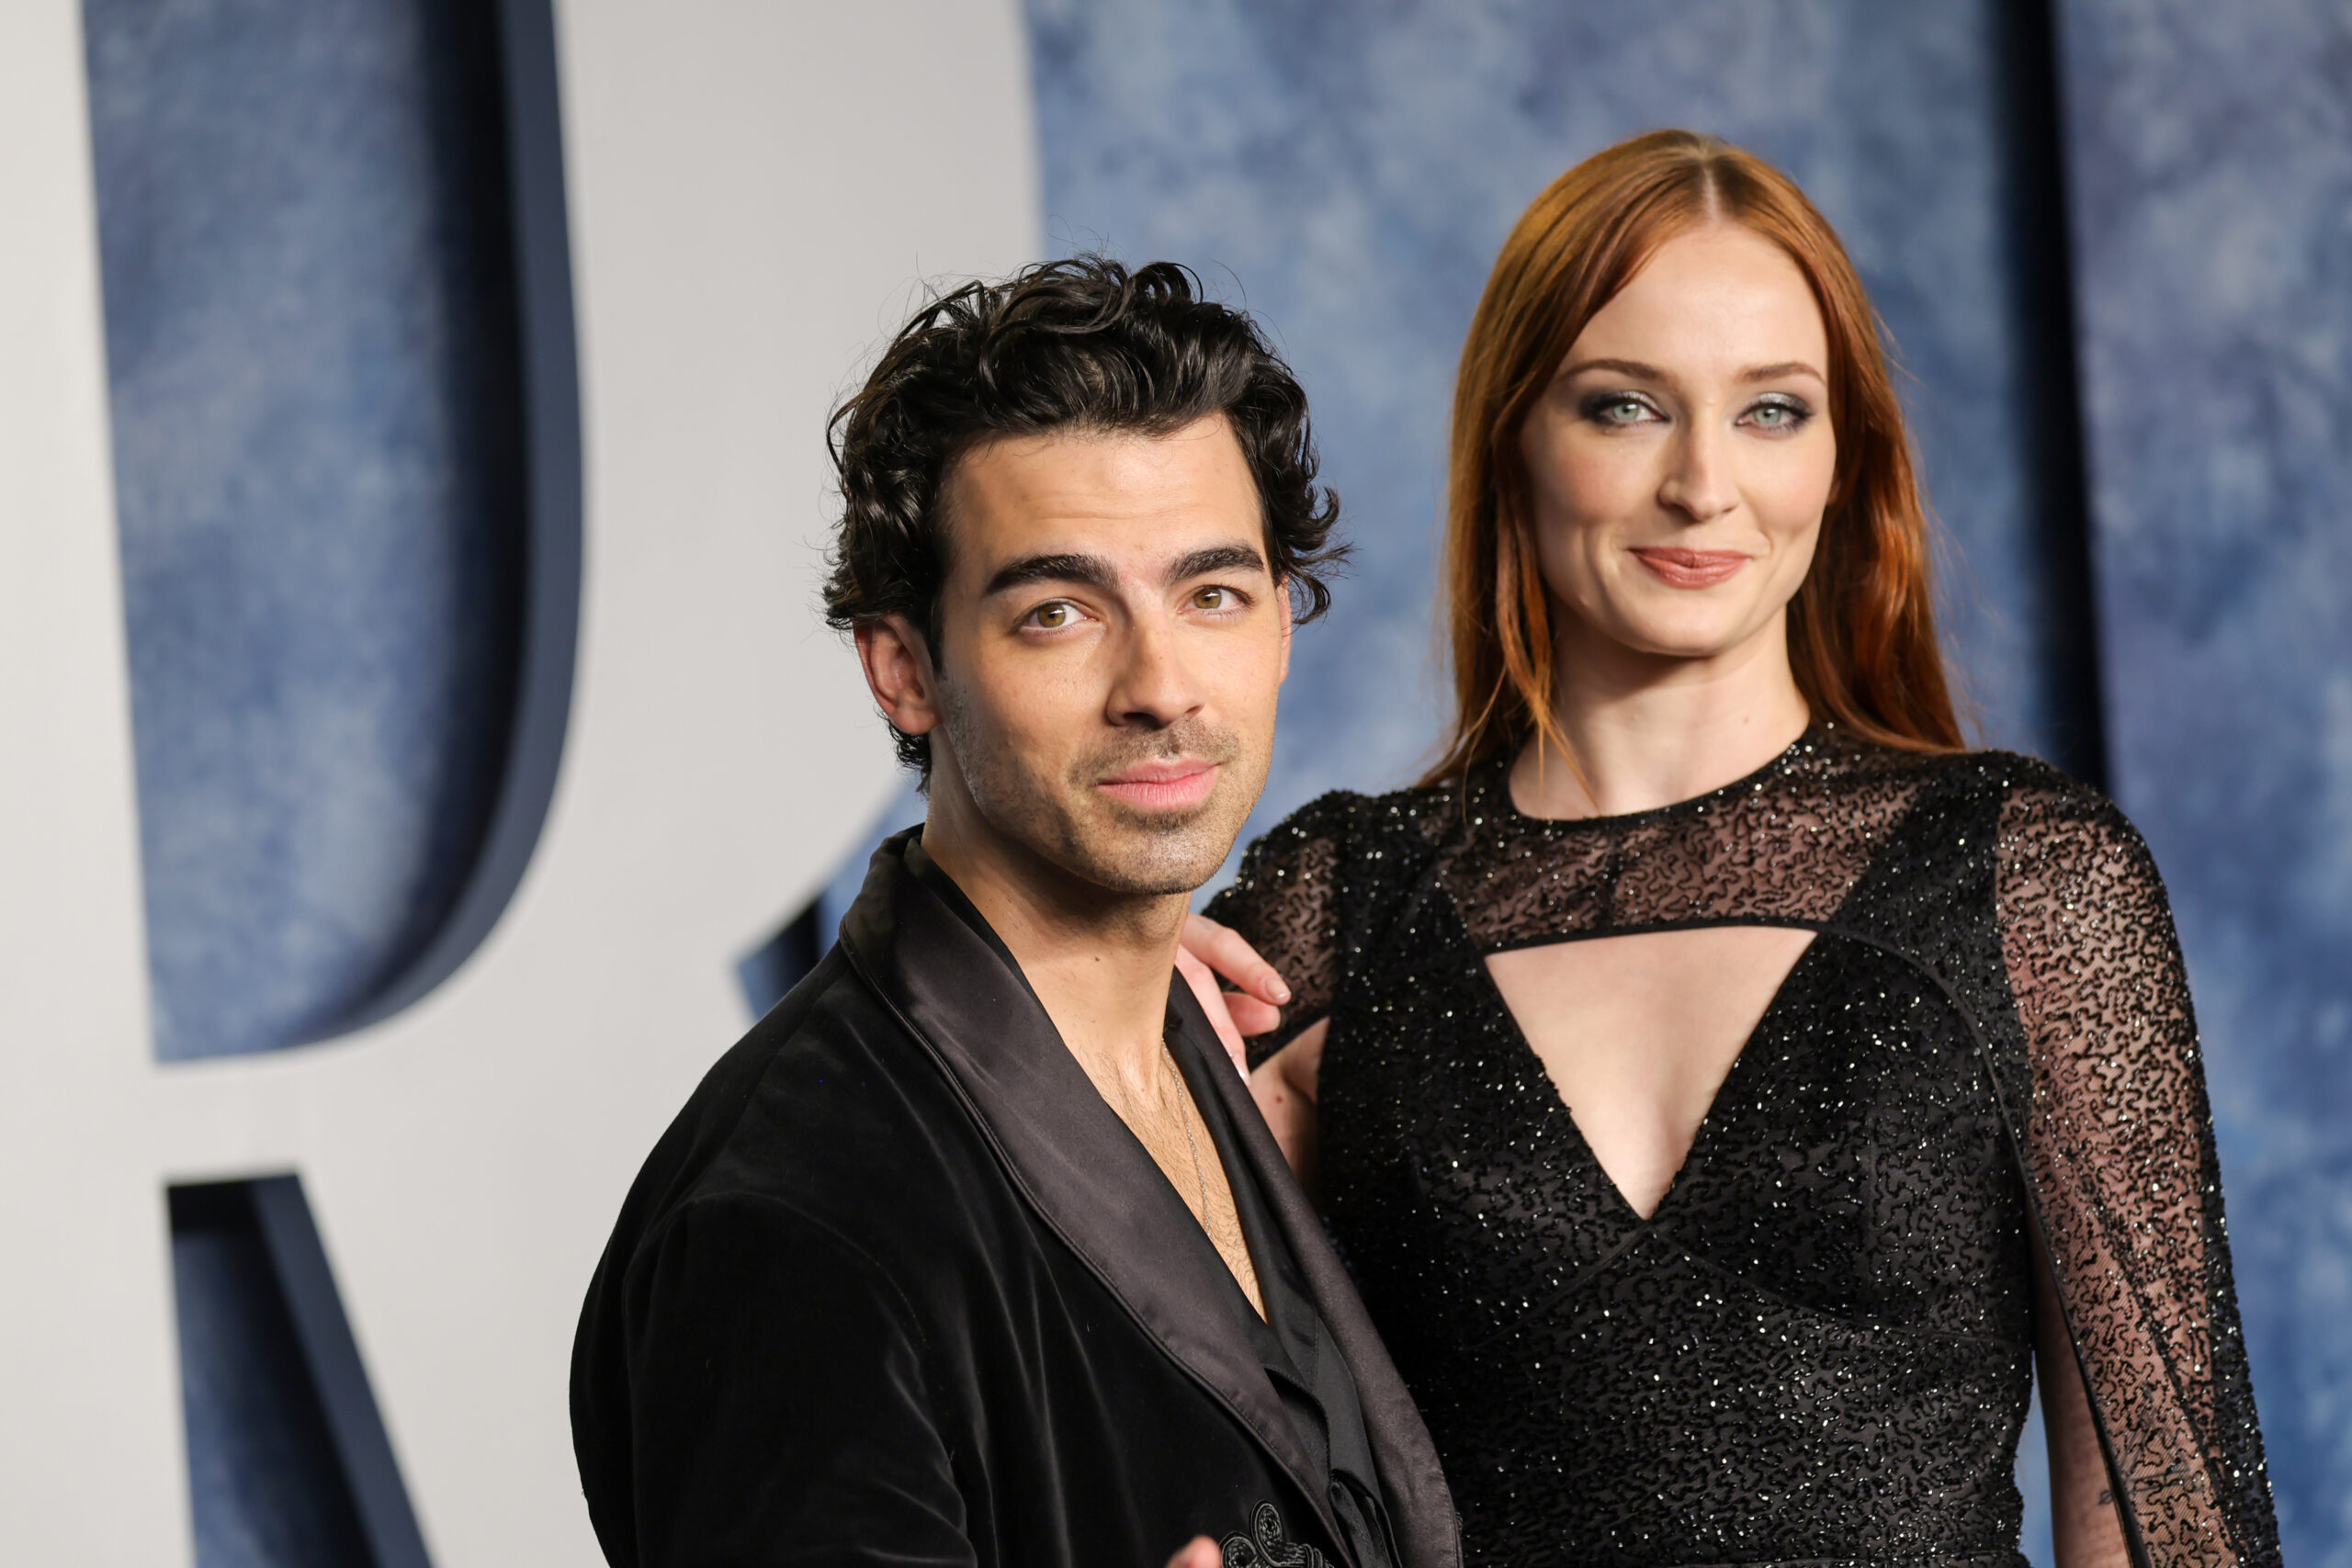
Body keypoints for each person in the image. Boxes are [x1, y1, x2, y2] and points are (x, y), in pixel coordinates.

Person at [1184, 131, 2279, 1568]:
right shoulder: (1343, 906)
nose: (1705, 483)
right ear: (1517, 435)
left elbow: (2168, 1520)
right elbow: (1149, 1419)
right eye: (1627, 406)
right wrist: (1130, 1048)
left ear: (1844, 460)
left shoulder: (2025, 874)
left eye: (1772, 411)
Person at [570, 257, 1459, 1568]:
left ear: (1281, 624)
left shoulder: (1203, 1049)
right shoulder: (793, 1219)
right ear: (906, 671)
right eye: (1058, 613)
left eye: (1211, 593)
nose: (1160, 683)